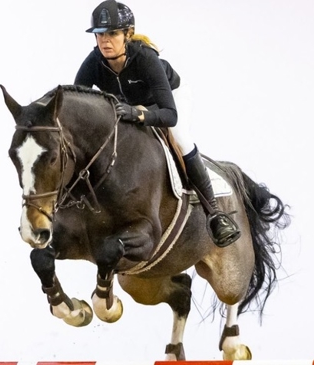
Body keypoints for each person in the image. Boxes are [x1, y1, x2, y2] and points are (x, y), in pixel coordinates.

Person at [74, 0, 241, 248]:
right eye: (100, 35)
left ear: (127, 34)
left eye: (112, 34)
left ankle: (216, 215)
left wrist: (139, 114)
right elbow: (78, 104)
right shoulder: (93, 62)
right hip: (129, 107)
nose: (105, 41)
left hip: (168, 101)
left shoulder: (144, 57)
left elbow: (169, 114)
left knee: (180, 136)